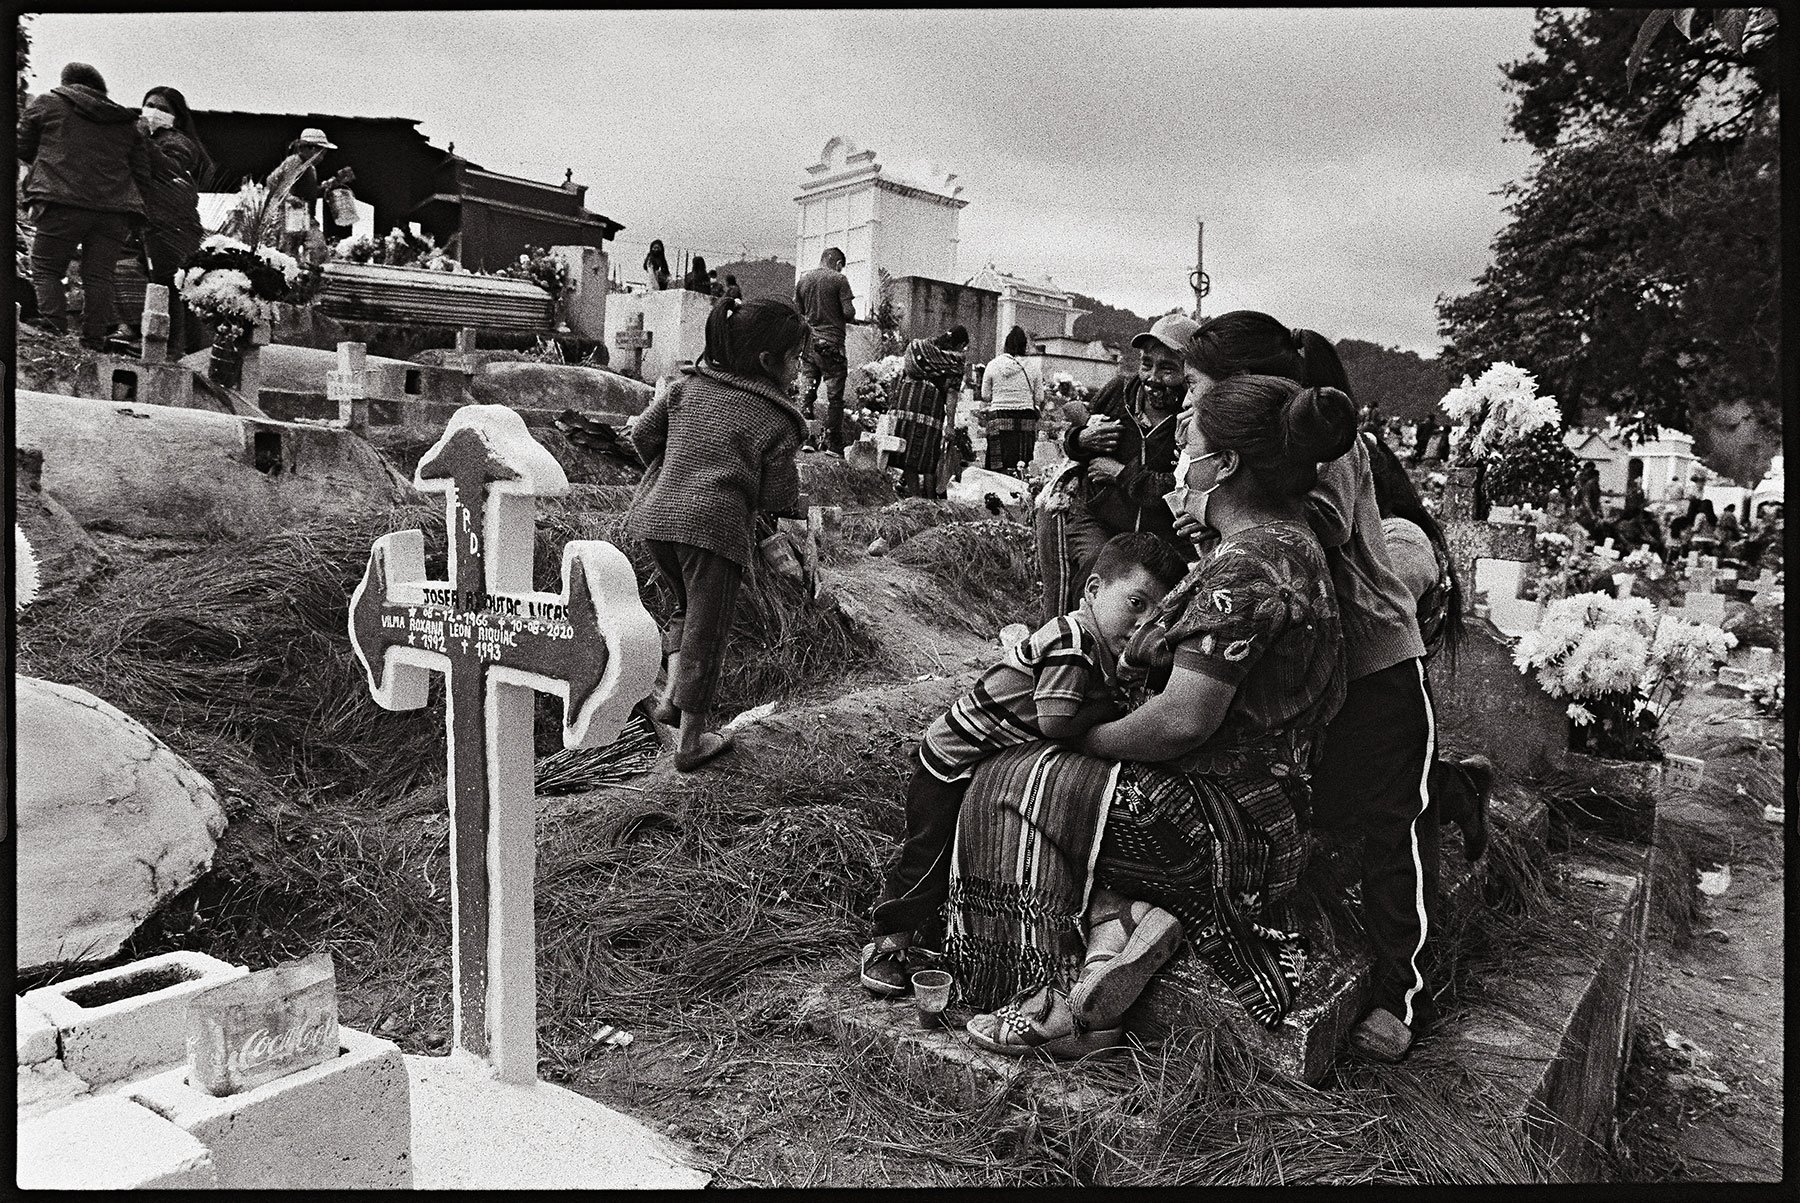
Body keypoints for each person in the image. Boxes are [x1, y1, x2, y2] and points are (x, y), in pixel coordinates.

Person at [950, 372, 1358, 1057]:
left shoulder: (1249, 565)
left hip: (1223, 828)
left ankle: (1041, 995)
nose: (1178, 459)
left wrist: (1086, 736)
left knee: (1008, 783)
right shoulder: (1290, 542)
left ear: (1223, 464)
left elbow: (1181, 721)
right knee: (1060, 783)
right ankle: (1114, 938)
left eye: (1189, 445)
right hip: (1269, 811)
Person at [1173, 310, 1475, 1063]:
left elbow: (1313, 529)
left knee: (1390, 829)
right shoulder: (1263, 440)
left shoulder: (1316, 445)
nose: (1187, 407)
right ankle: (1457, 790)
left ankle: (1403, 994)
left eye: (1200, 388)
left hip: (1380, 666)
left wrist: (1227, 505)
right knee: (1340, 806)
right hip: (1329, 670)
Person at [859, 532, 1189, 997]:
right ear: (1093, 591)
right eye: (1134, 602)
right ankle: (887, 942)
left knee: (954, 848)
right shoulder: (1071, 641)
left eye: (1154, 617)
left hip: (975, 759)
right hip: (950, 761)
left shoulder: (1096, 648)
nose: (1140, 624)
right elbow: (1056, 722)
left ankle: (928, 933)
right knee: (927, 855)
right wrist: (1115, 712)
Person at [627, 297, 810, 771]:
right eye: (797, 358)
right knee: (709, 631)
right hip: (715, 531)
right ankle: (690, 742)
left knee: (685, 610)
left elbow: (643, 435)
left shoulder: (688, 386)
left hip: (658, 522)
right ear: (769, 362)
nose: (800, 368)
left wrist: (678, 473)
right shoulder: (776, 417)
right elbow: (775, 495)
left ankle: (671, 698)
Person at [1364, 432, 1492, 863]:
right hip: (1372, 682)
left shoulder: (1402, 537)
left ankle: (1463, 791)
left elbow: (1382, 609)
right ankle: (1462, 785)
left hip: (1388, 682)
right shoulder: (1369, 531)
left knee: (1394, 791)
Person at [1036, 313, 1198, 624]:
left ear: (1189, 373)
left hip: (1162, 530)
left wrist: (1122, 473)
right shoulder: (1118, 392)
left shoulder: (1194, 416)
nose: (1152, 377)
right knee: (1098, 572)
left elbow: (1182, 488)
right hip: (1100, 517)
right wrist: (1082, 438)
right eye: (1147, 363)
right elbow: (1077, 448)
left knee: (1164, 599)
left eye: (1168, 369)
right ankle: (1074, 647)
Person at [17, 62, 154, 350]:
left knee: (46, 269)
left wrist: (47, 167)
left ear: (67, 83)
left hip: (61, 202)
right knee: (99, 276)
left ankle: (54, 338)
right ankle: (93, 341)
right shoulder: (125, 121)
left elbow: (22, 145)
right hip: (115, 211)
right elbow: (141, 173)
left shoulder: (48, 103)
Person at [137, 86, 211, 356]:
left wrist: (143, 140)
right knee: (172, 288)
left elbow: (170, 171)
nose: (153, 111)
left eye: (162, 108)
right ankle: (183, 348)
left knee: (170, 288)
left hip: (172, 225)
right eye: (149, 104)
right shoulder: (155, 139)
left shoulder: (176, 142)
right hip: (159, 223)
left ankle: (175, 350)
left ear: (176, 117)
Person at [890, 326, 969, 498]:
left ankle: (915, 497)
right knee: (929, 456)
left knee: (908, 451)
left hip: (908, 399)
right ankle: (929, 499)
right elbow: (951, 394)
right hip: (930, 404)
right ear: (961, 344)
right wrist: (950, 425)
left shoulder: (925, 347)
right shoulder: (954, 361)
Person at [793, 247, 857, 452]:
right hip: (832, 346)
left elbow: (798, 311)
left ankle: (806, 439)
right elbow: (848, 312)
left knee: (807, 392)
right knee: (834, 397)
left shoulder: (803, 280)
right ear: (838, 264)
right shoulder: (839, 280)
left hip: (809, 345)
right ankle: (832, 443)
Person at [979, 325, 1042, 474]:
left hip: (998, 418)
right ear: (1024, 346)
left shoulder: (993, 365)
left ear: (1005, 345)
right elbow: (1039, 397)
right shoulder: (1033, 367)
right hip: (1025, 419)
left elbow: (985, 395)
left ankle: (995, 493)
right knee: (1022, 464)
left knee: (997, 464)